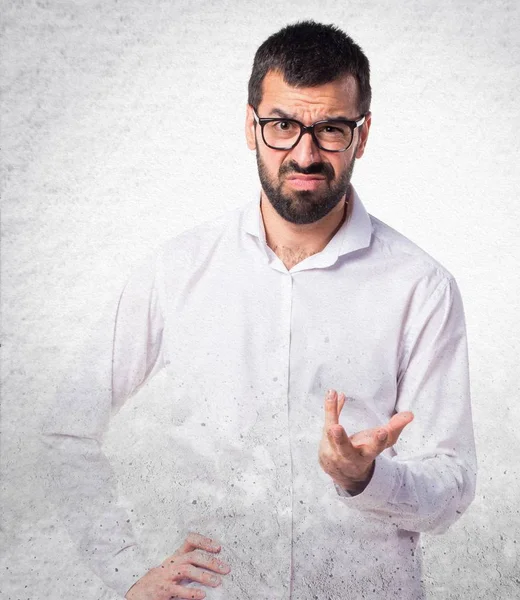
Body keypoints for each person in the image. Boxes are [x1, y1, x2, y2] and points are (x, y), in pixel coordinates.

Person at [43, 20, 476, 600]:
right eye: (282, 126)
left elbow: (451, 487)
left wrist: (367, 478)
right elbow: (65, 429)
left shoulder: (421, 287)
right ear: (251, 126)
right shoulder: (178, 270)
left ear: (362, 135)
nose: (305, 153)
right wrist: (126, 573)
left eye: (330, 130)